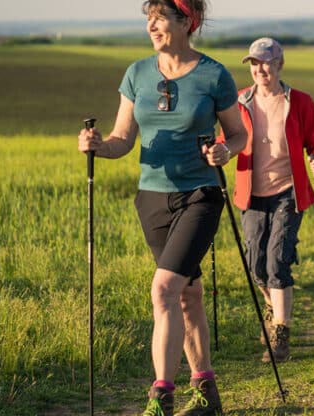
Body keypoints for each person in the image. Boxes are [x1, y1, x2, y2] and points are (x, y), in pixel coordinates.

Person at [77, 1, 247, 415]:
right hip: (151, 199)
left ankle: (161, 398)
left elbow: (238, 135)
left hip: (200, 195)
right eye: (148, 18)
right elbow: (121, 139)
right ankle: (207, 394)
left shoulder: (213, 74)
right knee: (187, 294)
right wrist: (98, 147)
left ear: (187, 22)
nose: (152, 25)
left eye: (161, 17)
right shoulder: (137, 74)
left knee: (164, 289)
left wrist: (225, 151)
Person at [219, 37, 314, 362]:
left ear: (279, 64)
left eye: (266, 62)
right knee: (256, 265)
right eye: (254, 63)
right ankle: (272, 306)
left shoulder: (301, 102)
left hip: (288, 192)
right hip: (250, 193)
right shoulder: (239, 102)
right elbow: (227, 141)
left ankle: (280, 334)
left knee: (277, 260)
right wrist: (218, 151)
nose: (260, 69)